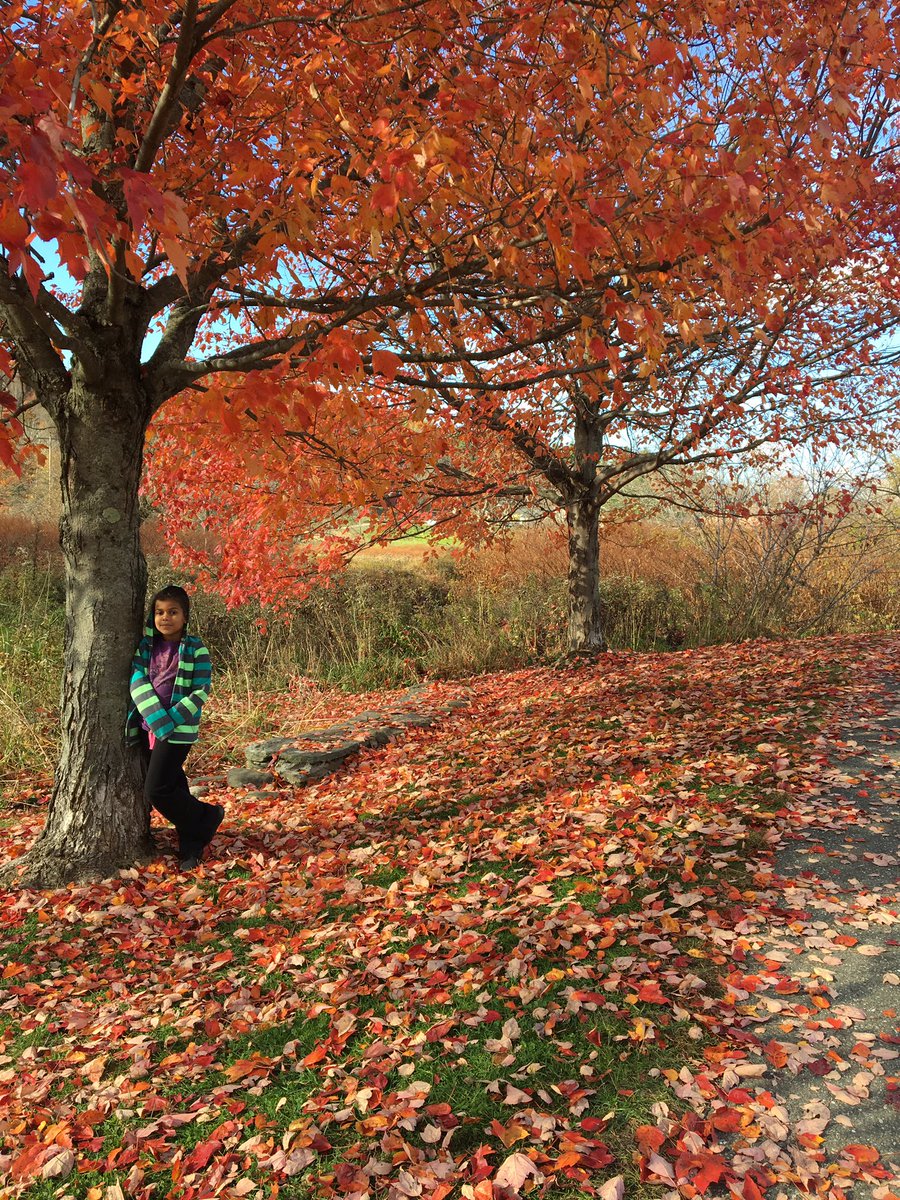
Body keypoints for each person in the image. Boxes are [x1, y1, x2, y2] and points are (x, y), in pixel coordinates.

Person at [125, 585, 224, 870]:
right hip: (148, 725)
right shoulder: (146, 646)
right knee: (175, 785)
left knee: (156, 789)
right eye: (159, 612)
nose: (165, 617)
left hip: (178, 730)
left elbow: (201, 689)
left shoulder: (195, 648)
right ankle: (191, 845)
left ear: (185, 616)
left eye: (172, 612)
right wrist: (156, 719)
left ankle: (208, 816)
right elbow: (137, 678)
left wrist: (168, 722)